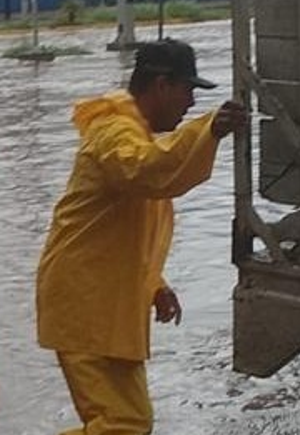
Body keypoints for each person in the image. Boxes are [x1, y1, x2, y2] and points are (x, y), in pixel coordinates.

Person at [35, 38, 248, 435]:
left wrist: (154, 284)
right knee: (122, 426)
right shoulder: (114, 132)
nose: (190, 103)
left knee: (132, 422)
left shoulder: (134, 132)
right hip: (84, 305)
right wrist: (209, 129)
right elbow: (148, 172)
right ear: (162, 85)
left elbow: (127, 231)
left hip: (107, 302)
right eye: (188, 91)